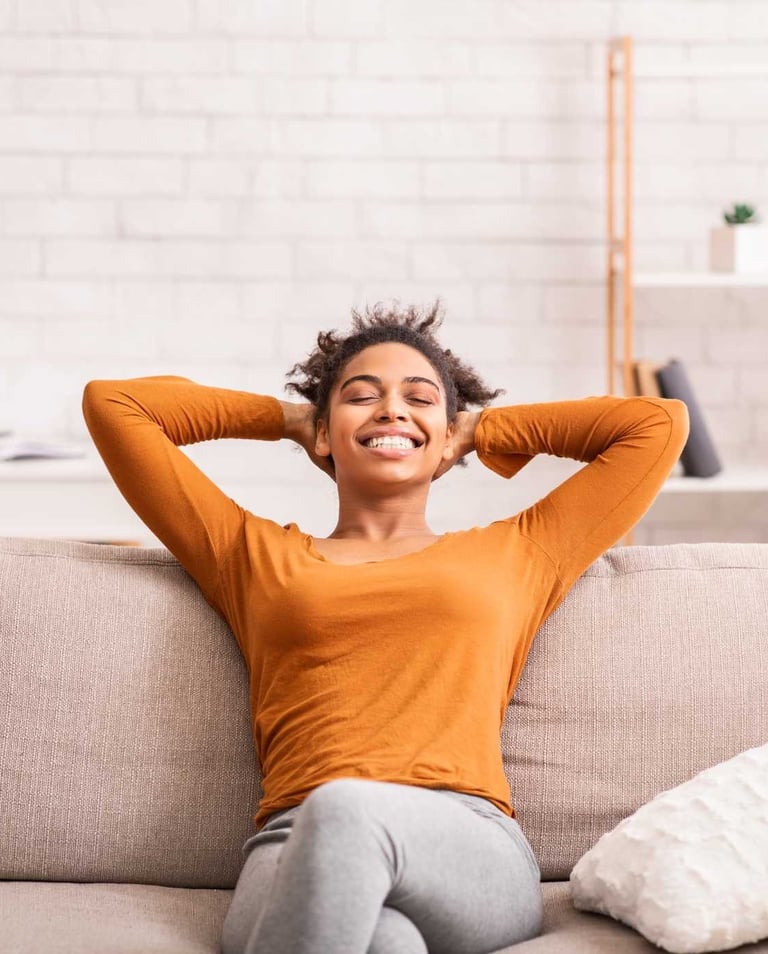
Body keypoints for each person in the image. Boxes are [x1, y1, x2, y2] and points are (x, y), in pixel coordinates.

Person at [82, 300, 689, 954]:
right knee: (387, 941)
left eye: (419, 398)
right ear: (325, 433)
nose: (393, 410)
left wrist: (478, 428)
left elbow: (656, 424)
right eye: (361, 397)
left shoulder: (520, 552)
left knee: (347, 811)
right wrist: (291, 419)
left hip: (464, 843)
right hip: (291, 845)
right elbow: (115, 405)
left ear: (449, 433)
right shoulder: (252, 557)